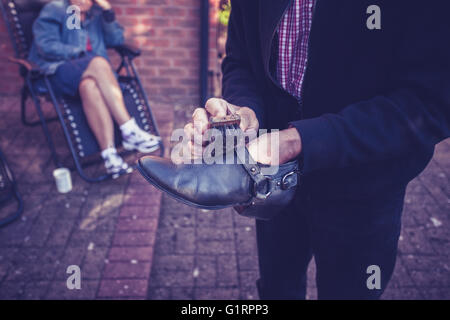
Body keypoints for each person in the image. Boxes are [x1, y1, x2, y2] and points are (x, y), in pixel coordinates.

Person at [182, 0, 450, 299]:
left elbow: (431, 103)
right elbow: (240, 59)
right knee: (276, 288)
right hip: (272, 174)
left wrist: (301, 140)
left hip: (364, 185)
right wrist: (245, 108)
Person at [28, 0, 160, 178]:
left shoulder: (97, 14)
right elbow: (46, 46)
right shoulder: (57, 9)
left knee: (89, 86)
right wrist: (80, 53)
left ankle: (109, 156)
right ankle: (128, 128)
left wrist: (107, 11)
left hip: (91, 77)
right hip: (58, 71)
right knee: (97, 61)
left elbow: (117, 39)